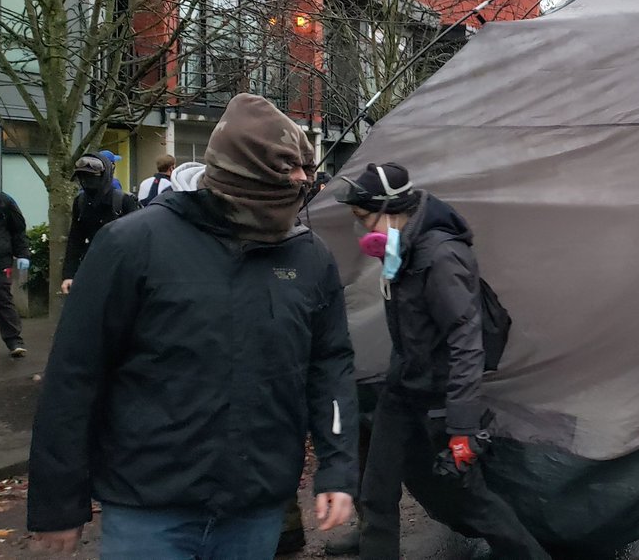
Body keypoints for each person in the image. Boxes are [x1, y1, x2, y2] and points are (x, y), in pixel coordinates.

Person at [28, 93, 359, 556]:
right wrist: (58, 504)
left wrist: (338, 467)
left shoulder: (310, 257)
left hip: (257, 507)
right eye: (287, 173)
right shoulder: (132, 245)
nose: (300, 184)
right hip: (148, 508)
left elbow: (331, 367)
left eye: (304, 173)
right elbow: (74, 374)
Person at [338, 163, 549, 560]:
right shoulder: (401, 246)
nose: (365, 231)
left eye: (366, 219)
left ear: (393, 208)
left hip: (439, 393)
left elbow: (467, 343)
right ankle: (374, 547)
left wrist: (462, 426)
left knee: (470, 497)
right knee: (377, 485)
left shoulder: (442, 257)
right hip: (402, 384)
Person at [61, 153, 139, 294]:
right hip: (91, 267)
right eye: (83, 177)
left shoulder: (124, 201)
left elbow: (138, 242)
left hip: (122, 271)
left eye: (92, 177)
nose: (86, 181)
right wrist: (69, 275)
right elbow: (75, 239)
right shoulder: (80, 202)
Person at [0, 180, 29, 358]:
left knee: (2, 298)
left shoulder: (3, 202)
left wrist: (22, 254)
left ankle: (14, 341)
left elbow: (18, 230)